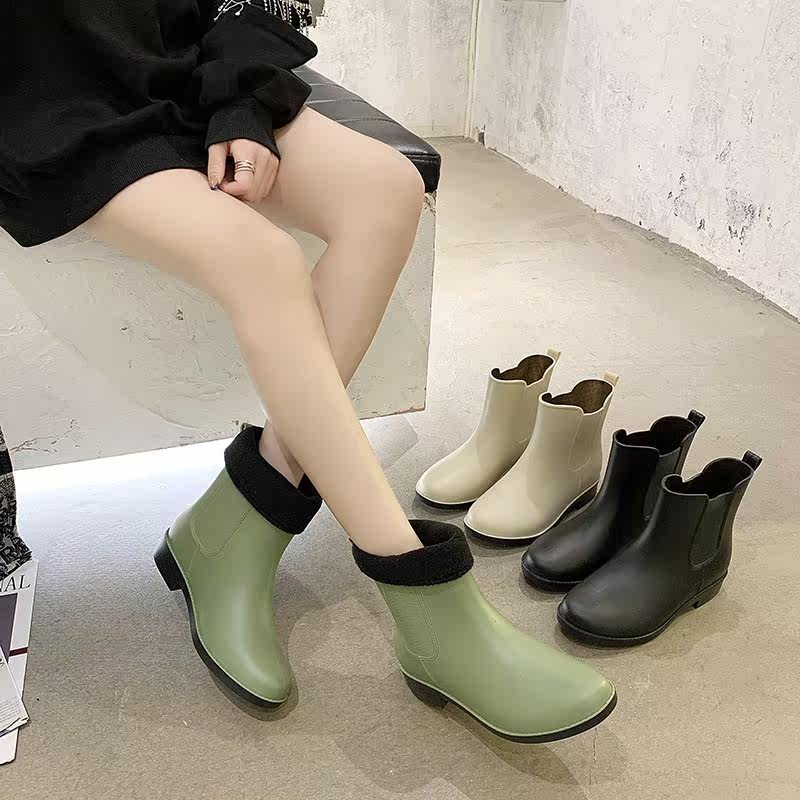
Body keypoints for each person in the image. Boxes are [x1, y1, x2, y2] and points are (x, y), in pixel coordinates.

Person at [0, 0, 616, 741]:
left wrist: (240, 104)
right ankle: (428, 606)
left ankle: (238, 525)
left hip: (179, 71)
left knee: (387, 189)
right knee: (264, 260)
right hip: (49, 109)